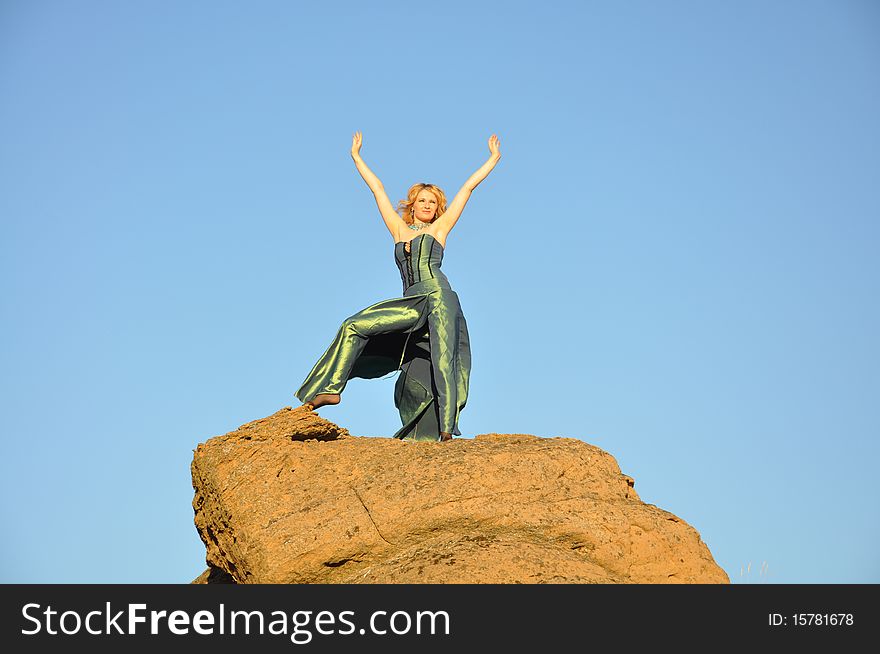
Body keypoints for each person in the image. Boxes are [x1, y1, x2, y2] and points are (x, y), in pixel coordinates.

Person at [294, 131, 501, 441]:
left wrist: (493, 159)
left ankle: (445, 432)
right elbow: (377, 189)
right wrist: (356, 157)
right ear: (412, 206)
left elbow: (467, 189)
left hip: (439, 297)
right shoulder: (398, 229)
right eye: (423, 201)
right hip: (411, 302)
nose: (428, 205)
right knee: (354, 325)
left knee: (443, 363)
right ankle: (329, 389)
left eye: (433, 202)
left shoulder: (440, 229)